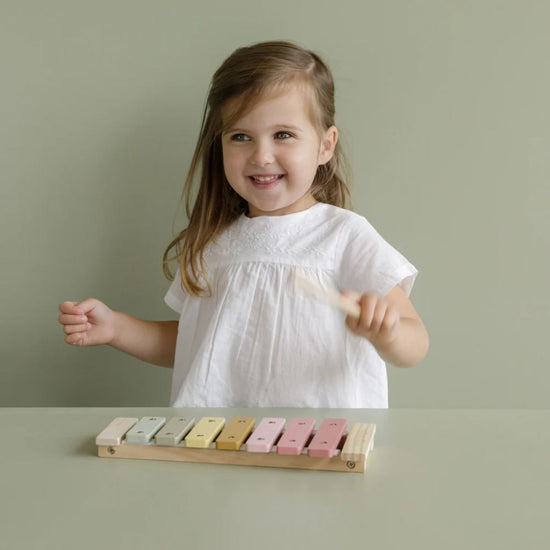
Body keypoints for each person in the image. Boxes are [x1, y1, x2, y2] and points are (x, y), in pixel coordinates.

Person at [58, 41, 429, 408]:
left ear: (325, 145)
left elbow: (416, 342)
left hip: (316, 449)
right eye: (240, 137)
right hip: (217, 445)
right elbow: (195, 343)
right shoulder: (214, 244)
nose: (262, 156)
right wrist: (116, 328)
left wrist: (388, 335)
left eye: (283, 135)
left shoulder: (345, 237)